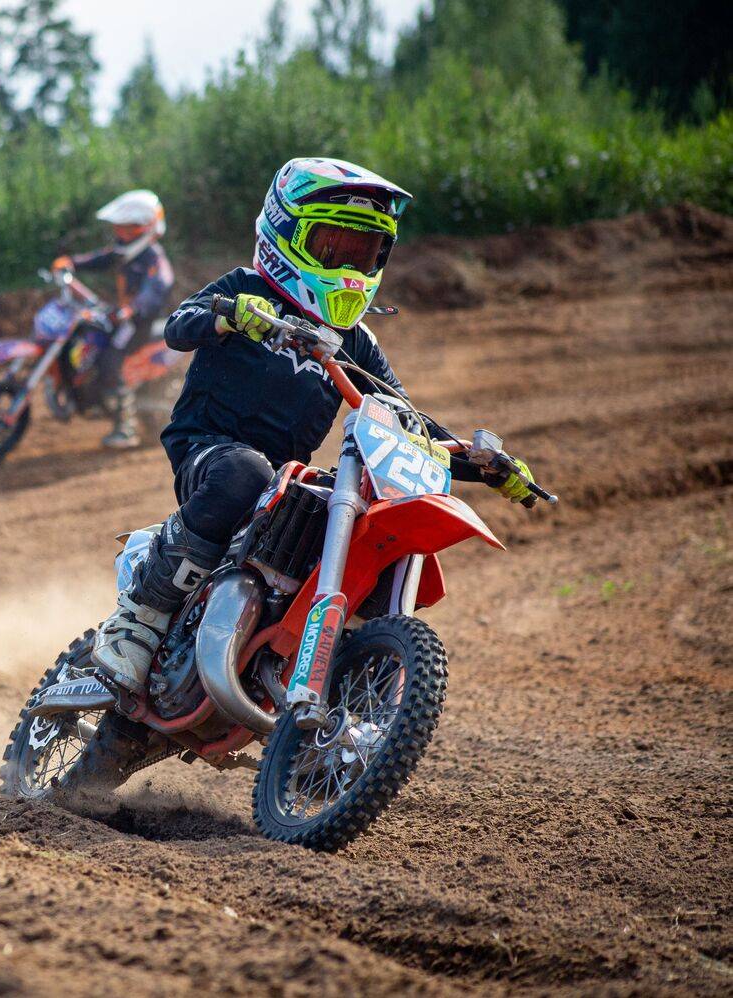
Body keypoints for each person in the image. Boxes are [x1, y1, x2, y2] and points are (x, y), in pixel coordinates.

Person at [91, 157, 538, 694]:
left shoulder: (357, 343)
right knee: (244, 472)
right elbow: (177, 326)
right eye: (333, 246)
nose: (348, 266)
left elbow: (406, 421)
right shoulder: (248, 288)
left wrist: (485, 466)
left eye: (364, 251)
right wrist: (229, 314)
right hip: (209, 451)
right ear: (286, 234)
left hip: (284, 477)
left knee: (355, 512)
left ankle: (332, 673)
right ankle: (140, 616)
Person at [51, 189, 175, 449]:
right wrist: (71, 263)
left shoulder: (155, 260)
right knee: (90, 340)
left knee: (111, 360)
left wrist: (132, 309)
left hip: (137, 323)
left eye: (126, 228)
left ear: (144, 228)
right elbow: (101, 258)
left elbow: (156, 289)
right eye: (119, 227)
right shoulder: (125, 251)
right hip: (121, 317)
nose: (119, 232)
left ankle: (125, 428)